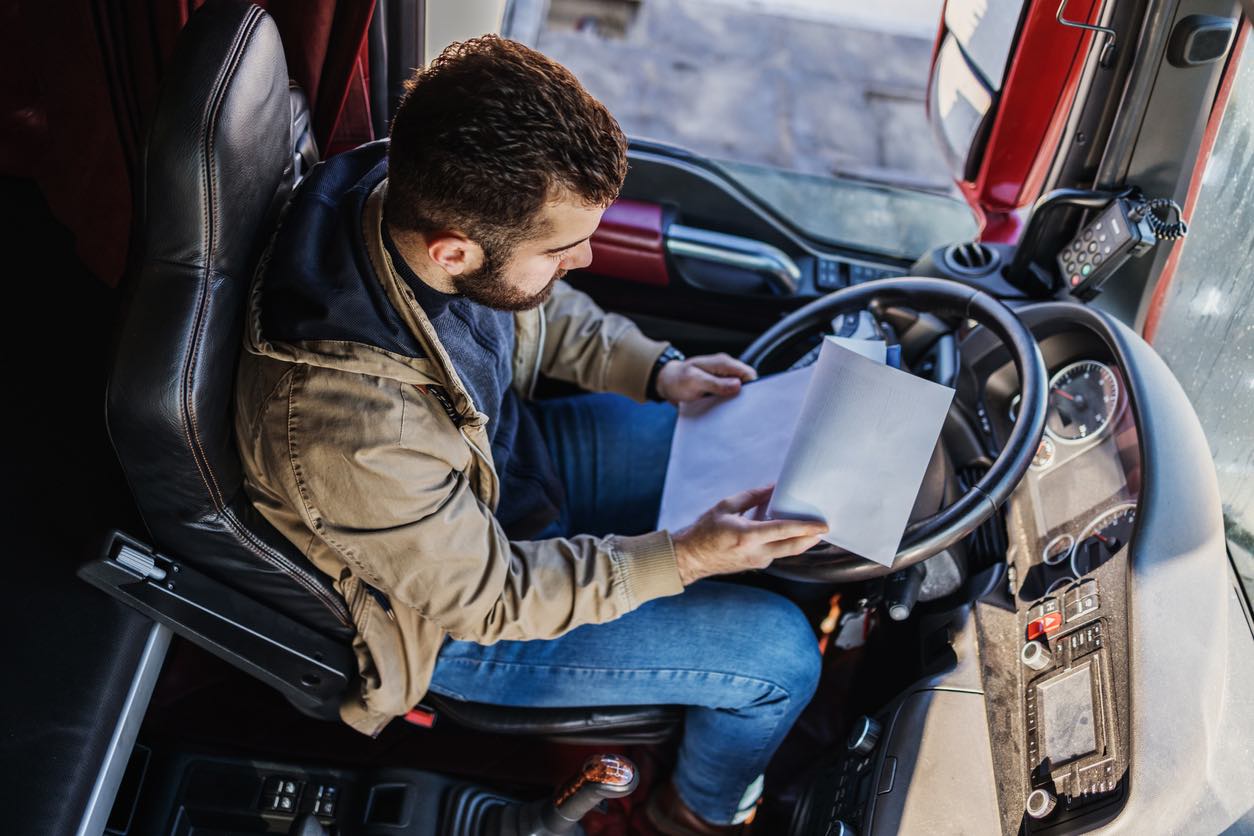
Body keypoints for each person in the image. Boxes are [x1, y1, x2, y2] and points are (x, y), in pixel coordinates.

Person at [233, 35, 828, 835]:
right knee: (781, 659)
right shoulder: (356, 432)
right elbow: (491, 597)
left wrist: (658, 370)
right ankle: (698, 811)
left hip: (515, 468)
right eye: (562, 248)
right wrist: (684, 557)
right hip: (459, 622)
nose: (582, 259)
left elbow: (532, 311)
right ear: (455, 250)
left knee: (775, 460)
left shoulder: (402, 201)